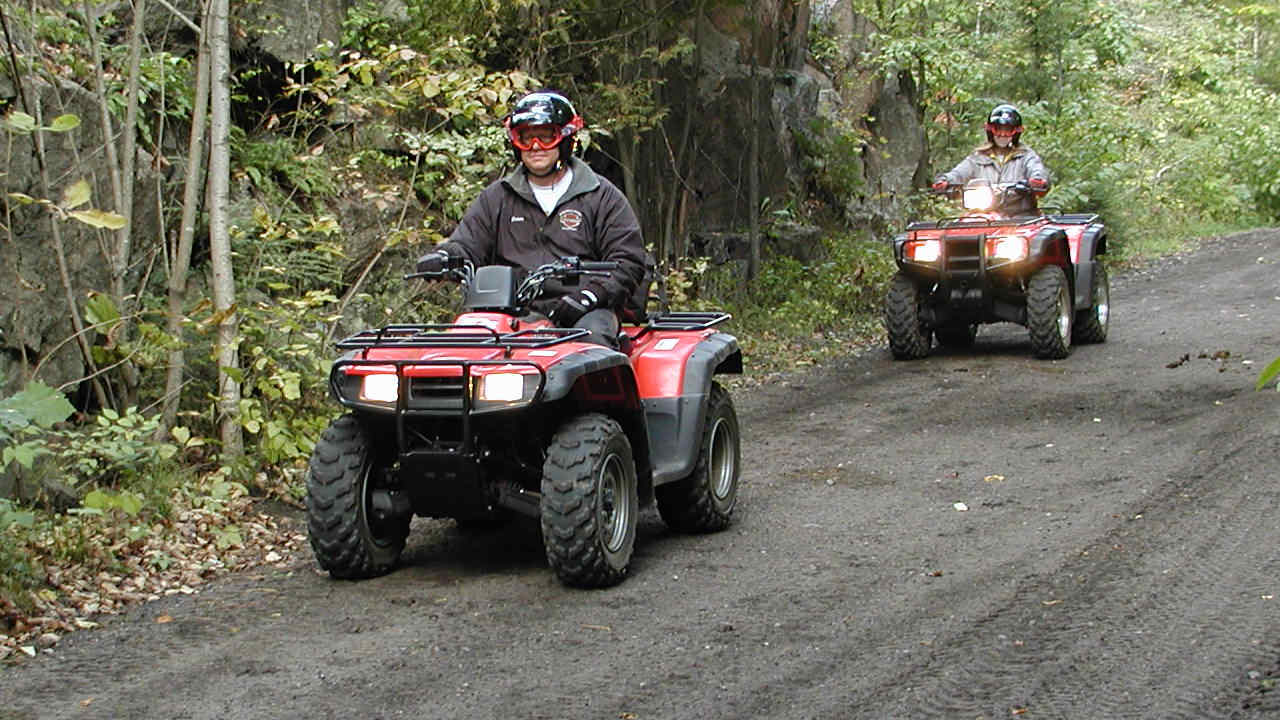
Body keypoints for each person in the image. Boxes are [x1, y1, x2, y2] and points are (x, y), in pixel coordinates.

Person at [415, 90, 647, 350]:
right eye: (526, 137)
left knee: (592, 344)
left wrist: (590, 296)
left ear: (566, 139)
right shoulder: (498, 197)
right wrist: (445, 257)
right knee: (462, 342)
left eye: (546, 136)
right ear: (516, 143)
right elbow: (468, 243)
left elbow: (629, 261)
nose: (536, 146)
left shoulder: (600, 196)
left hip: (585, 310)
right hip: (514, 311)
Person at [932, 103, 1051, 215]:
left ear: (1015, 132)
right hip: (982, 214)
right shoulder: (978, 157)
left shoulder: (1026, 156)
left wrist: (1037, 181)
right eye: (998, 129)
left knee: (1026, 235)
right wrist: (945, 181)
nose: (1003, 134)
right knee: (960, 229)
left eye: (1008, 130)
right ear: (990, 130)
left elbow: (1037, 170)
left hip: (1019, 215)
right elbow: (959, 172)